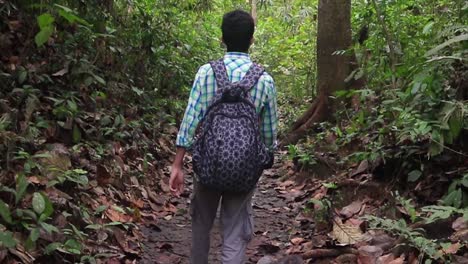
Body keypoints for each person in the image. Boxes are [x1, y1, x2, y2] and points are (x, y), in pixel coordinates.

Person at [169, 9, 278, 264]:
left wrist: (177, 164)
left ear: (222, 38)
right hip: (243, 171)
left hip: (208, 165)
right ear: (252, 40)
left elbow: (190, 119)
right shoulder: (264, 80)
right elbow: (269, 134)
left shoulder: (207, 72)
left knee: (201, 225)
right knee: (234, 231)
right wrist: (259, 161)